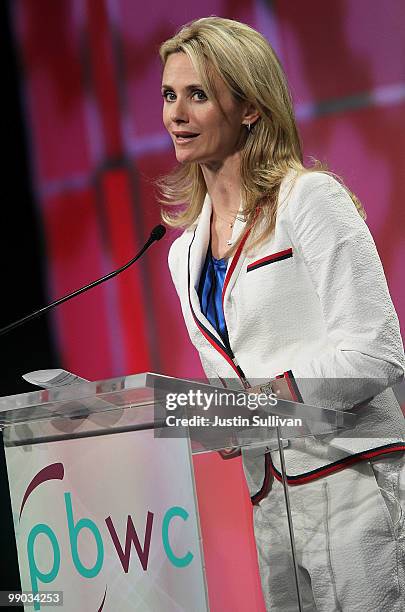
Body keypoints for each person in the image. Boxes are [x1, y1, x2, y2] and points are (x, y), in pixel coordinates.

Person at [158, 16, 405, 611]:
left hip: (353, 491)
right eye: (169, 95)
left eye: (198, 95)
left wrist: (262, 405)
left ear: (249, 107)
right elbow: (231, 389)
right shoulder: (181, 254)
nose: (176, 115)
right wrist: (215, 421)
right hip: (271, 506)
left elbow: (377, 352)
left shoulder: (309, 199)